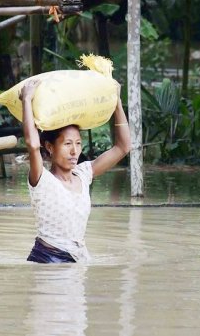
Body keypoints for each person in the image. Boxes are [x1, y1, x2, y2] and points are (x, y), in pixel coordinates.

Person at [20, 79, 131, 263]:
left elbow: (124, 147)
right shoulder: (42, 179)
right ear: (49, 146)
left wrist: (117, 102)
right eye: (67, 144)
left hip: (79, 258)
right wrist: (26, 100)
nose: (75, 151)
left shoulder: (83, 174)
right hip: (48, 260)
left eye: (78, 144)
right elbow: (32, 144)